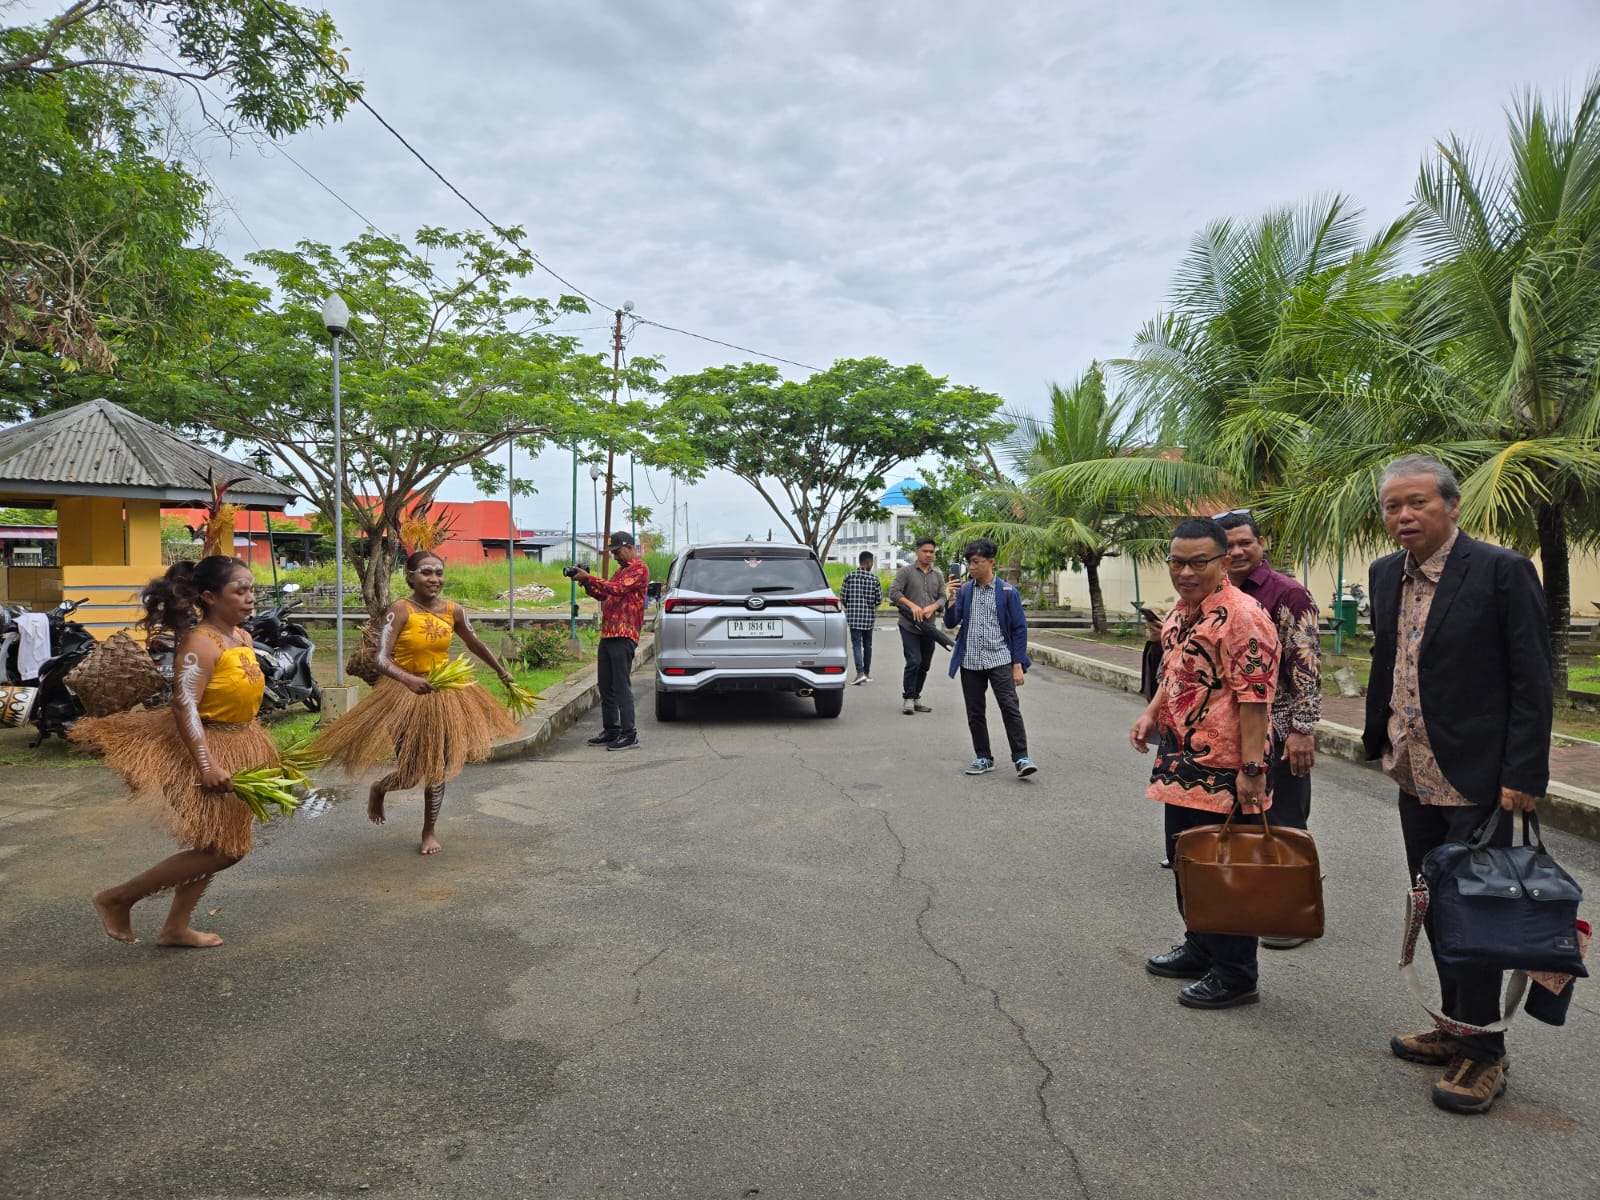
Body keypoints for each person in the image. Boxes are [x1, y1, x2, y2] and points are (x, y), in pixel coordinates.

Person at [1362, 454, 1553, 1115]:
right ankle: (1455, 1026)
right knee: (1435, 907)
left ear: (1452, 505)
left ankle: (1486, 1055)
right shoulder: (1386, 574)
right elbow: (1387, 658)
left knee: (1477, 917)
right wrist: (1374, 737)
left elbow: (1532, 680)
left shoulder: (1501, 572)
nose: (1404, 515)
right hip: (1413, 773)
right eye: (1392, 506)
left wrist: (1523, 774)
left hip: (1480, 781)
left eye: (1417, 502)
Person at [75, 556, 280, 947]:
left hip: (241, 742)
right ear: (209, 597)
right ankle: (119, 898)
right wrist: (207, 764)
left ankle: (176, 927)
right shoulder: (199, 643)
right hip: (204, 747)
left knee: (214, 843)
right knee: (225, 849)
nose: (250, 598)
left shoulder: (241, 638)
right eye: (240, 590)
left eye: (252, 589)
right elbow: (184, 704)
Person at [1130, 517, 1280, 1010]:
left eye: (1199, 562)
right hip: (1181, 759)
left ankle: (1236, 974)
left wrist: (1252, 770)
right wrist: (1152, 714)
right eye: (1178, 562)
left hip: (1229, 767)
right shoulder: (1182, 612)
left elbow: (1256, 698)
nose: (1186, 572)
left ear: (1223, 561)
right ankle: (1200, 948)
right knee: (1187, 861)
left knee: (1225, 873)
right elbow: (1175, 673)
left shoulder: (1243, 615)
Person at [313, 550, 519, 854]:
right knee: (410, 773)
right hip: (403, 695)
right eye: (426, 572)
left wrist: (501, 671)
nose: (434, 579)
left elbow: (474, 643)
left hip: (444, 693)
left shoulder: (453, 610)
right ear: (410, 576)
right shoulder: (400, 610)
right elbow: (380, 657)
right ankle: (380, 788)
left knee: (438, 764)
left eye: (439, 572)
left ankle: (428, 831)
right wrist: (407, 679)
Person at [1216, 510, 1323, 949]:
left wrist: (1302, 729)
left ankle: (1290, 917)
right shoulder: (1217, 593)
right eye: (1229, 545)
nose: (1238, 551)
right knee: (1245, 822)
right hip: (1234, 730)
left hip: (1279, 730)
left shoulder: (1287, 594)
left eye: (1246, 542)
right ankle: (1255, 906)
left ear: (1262, 544)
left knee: (1283, 824)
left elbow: (1309, 664)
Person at [944, 537, 1036, 778]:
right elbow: (951, 622)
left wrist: (1017, 664)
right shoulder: (964, 591)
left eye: (977, 562)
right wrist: (951, 597)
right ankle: (983, 757)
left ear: (991, 562)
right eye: (969, 563)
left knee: (1010, 708)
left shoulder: (1007, 592)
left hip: (1000, 660)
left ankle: (1021, 758)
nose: (971, 567)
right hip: (970, 661)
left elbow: (1019, 629)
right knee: (975, 711)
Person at [573, 530, 650, 750]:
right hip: (608, 633)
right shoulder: (621, 571)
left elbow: (617, 589)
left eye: (616, 551)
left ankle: (629, 733)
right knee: (606, 685)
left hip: (624, 634)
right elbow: (604, 594)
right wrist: (586, 583)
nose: (615, 556)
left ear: (629, 547)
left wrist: (590, 578)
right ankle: (612, 729)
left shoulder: (639, 568)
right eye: (612, 552)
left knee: (620, 685)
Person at [889, 537, 946, 716]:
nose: (929, 555)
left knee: (925, 664)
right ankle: (908, 698)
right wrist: (912, 605)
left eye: (932, 552)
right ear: (917, 552)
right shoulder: (905, 572)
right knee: (914, 660)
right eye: (925, 551)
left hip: (929, 627)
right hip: (909, 625)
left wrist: (933, 607)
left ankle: (916, 697)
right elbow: (894, 593)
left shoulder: (938, 575)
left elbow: (943, 597)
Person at [840, 550, 883, 685]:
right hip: (868, 618)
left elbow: (843, 597)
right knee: (868, 645)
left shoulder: (849, 577)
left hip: (853, 618)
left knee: (856, 645)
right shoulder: (874, 579)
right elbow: (879, 599)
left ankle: (860, 673)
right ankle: (867, 673)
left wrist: (851, 606)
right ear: (869, 562)